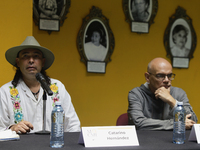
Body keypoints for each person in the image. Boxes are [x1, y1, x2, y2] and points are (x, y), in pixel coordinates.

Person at [0, 36, 80, 133]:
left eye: (36, 56)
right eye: (25, 56)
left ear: (43, 62)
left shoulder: (57, 87)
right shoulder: (5, 92)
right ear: (18, 62)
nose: (31, 60)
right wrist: (12, 129)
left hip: (53, 147)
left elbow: (73, 125)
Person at [128, 57, 197, 130]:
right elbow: (138, 123)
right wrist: (176, 124)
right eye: (160, 76)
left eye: (169, 75)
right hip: (146, 139)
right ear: (147, 77)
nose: (167, 80)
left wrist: (172, 101)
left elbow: (192, 122)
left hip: (172, 139)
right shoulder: (136, 94)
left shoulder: (179, 93)